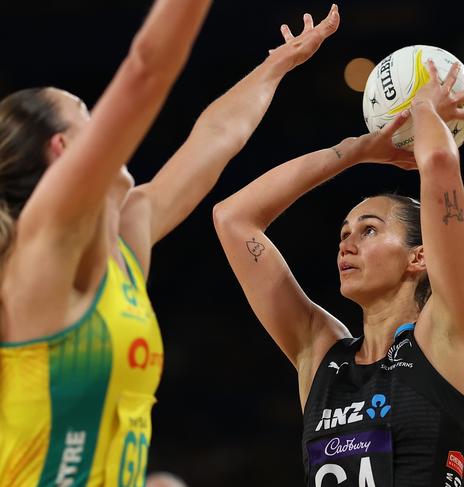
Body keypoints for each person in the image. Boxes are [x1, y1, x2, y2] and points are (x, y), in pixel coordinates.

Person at [0, 2, 340, 485]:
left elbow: (218, 136)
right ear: (63, 151)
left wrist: (277, 64)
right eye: (87, 116)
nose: (105, 126)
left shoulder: (124, 243)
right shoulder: (40, 248)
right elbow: (146, 70)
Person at [213, 58, 464, 485]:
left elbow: (437, 163)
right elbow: (233, 218)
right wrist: (354, 151)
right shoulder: (321, 353)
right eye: (344, 232)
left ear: (419, 257)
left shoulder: (446, 334)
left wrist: (425, 111)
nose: (347, 242)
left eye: (370, 230)